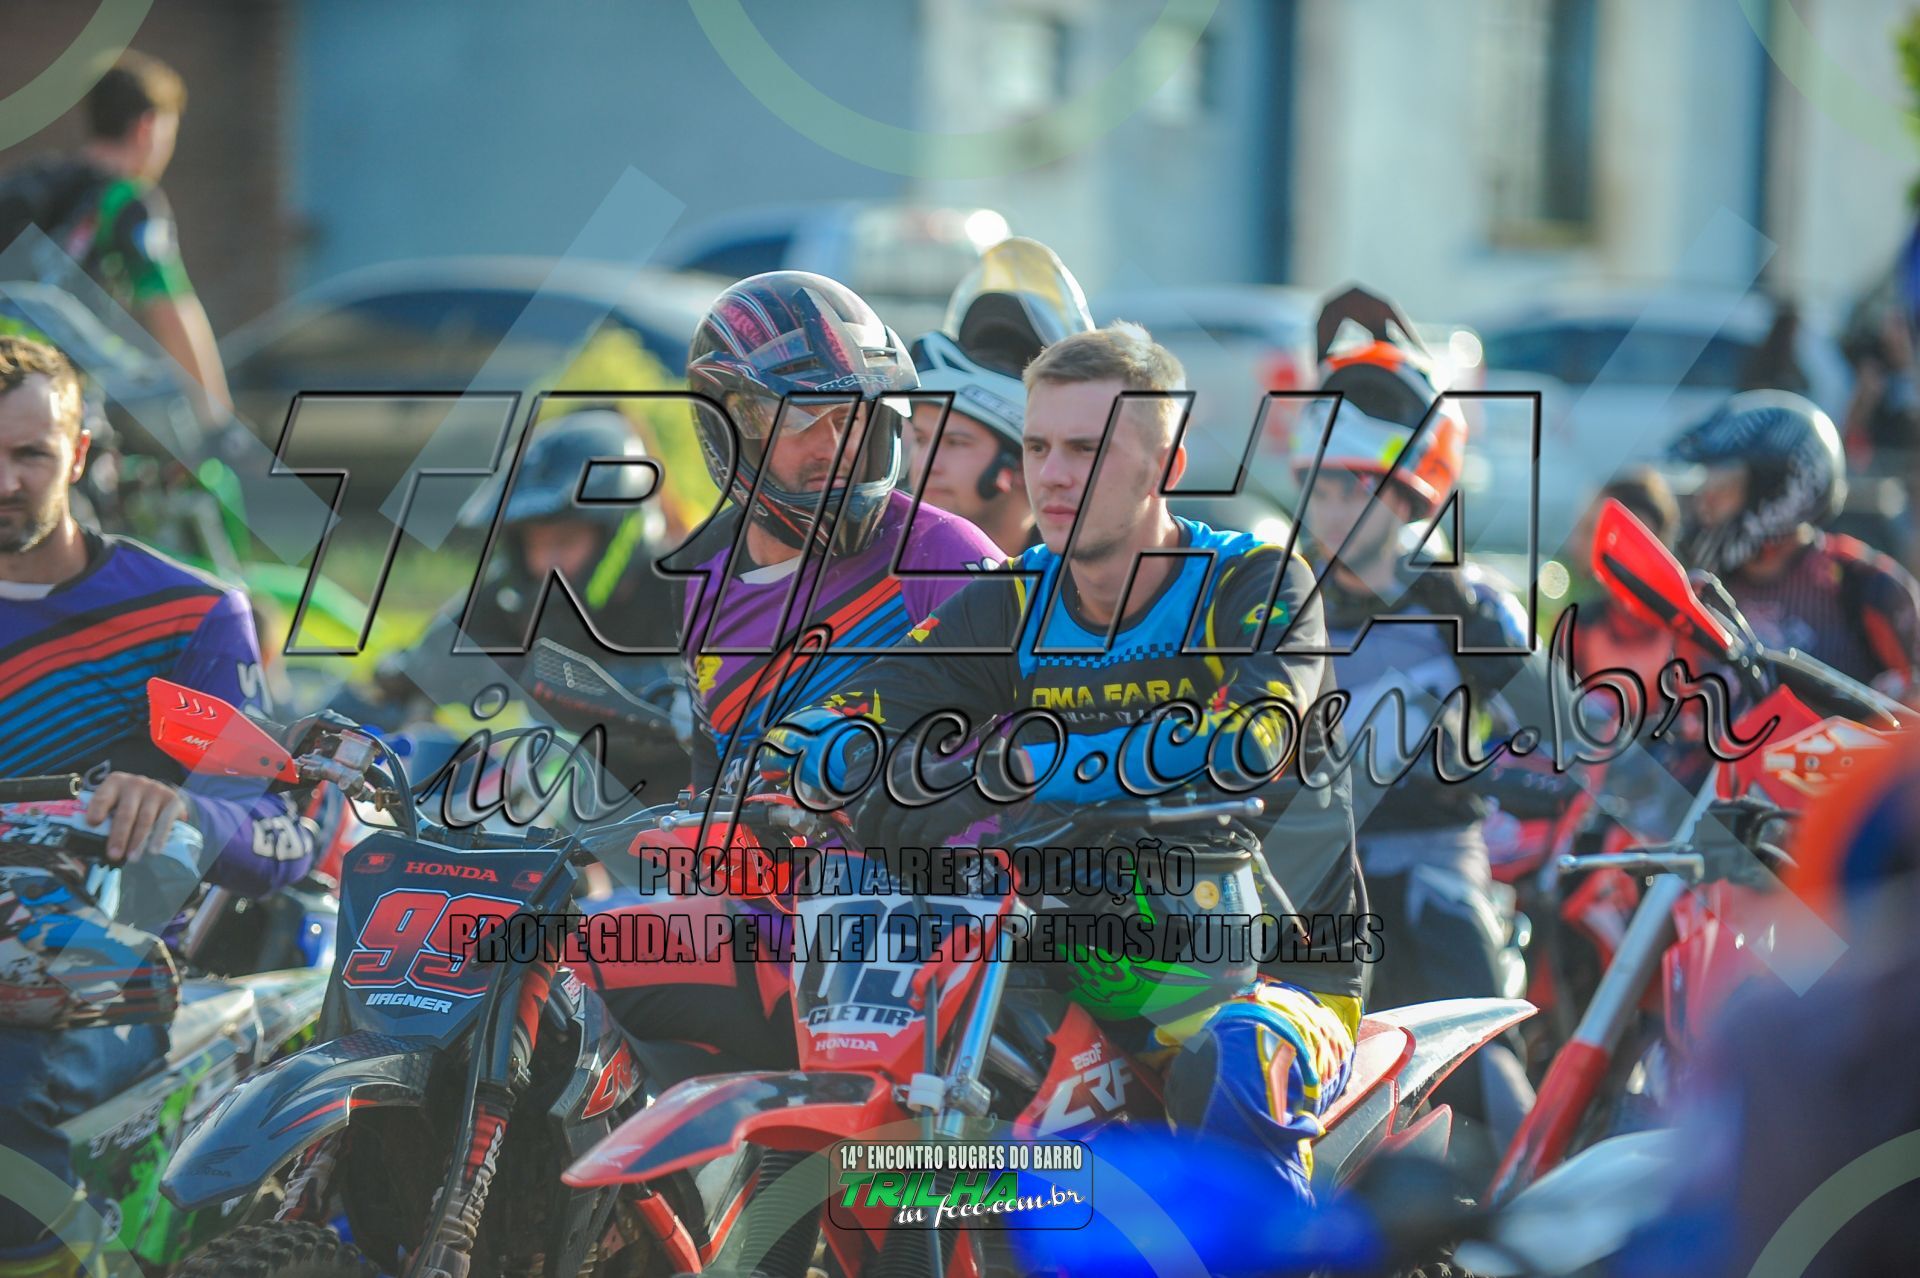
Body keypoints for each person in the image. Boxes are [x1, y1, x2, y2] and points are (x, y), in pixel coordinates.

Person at [774, 322, 1366, 1210]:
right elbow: (855, 706)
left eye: (1086, 450)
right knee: (908, 1048)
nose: (1050, 475)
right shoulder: (1016, 598)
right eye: (1038, 446)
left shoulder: (1255, 581)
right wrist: (838, 766)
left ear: (1166, 466)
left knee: (1237, 1056)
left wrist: (1009, 773)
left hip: (1270, 967)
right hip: (1074, 947)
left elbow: (1249, 741)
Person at [584, 272, 1000, 1070]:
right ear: (730, 430)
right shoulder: (704, 580)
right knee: (548, 965)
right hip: (764, 926)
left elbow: (1020, 773)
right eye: (806, 420)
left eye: (856, 418)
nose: (836, 446)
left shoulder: (949, 556)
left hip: (907, 938)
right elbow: (714, 771)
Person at [0, 336, 316, 1276]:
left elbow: (279, 834)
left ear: (79, 455)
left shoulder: (185, 616)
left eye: (29, 454)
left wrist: (179, 806)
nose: (4, 481)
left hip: (100, 981)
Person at [1283, 292, 1536, 1156]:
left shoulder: (1465, 605)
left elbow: (1565, 736)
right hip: (1309, 883)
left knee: (1490, 1076)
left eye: (1354, 488)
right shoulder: (1273, 600)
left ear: (1409, 493)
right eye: (1320, 487)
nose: (1332, 510)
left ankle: (1518, 1198)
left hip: (1433, 867)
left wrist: (1523, 776)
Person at [359, 407, 690, 807]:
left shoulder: (687, 592)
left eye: (565, 540)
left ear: (620, 528)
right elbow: (416, 668)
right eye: (535, 542)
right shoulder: (518, 594)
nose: (547, 561)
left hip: (682, 816)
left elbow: (687, 705)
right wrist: (369, 699)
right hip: (560, 811)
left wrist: (549, 685)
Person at [0, 52, 230, 424]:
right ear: (147, 127)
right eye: (169, 134)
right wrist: (216, 416)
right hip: (63, 395)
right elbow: (173, 309)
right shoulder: (127, 199)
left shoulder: (31, 182)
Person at [1672, 390, 1920, 697]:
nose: (1705, 504)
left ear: (1781, 490)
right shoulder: (1705, 589)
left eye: (1723, 488)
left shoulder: (1865, 586)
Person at [905, 237, 1094, 556]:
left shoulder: (1088, 574)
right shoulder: (882, 569)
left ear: (1023, 460)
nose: (926, 465)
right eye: (922, 440)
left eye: (956, 442)